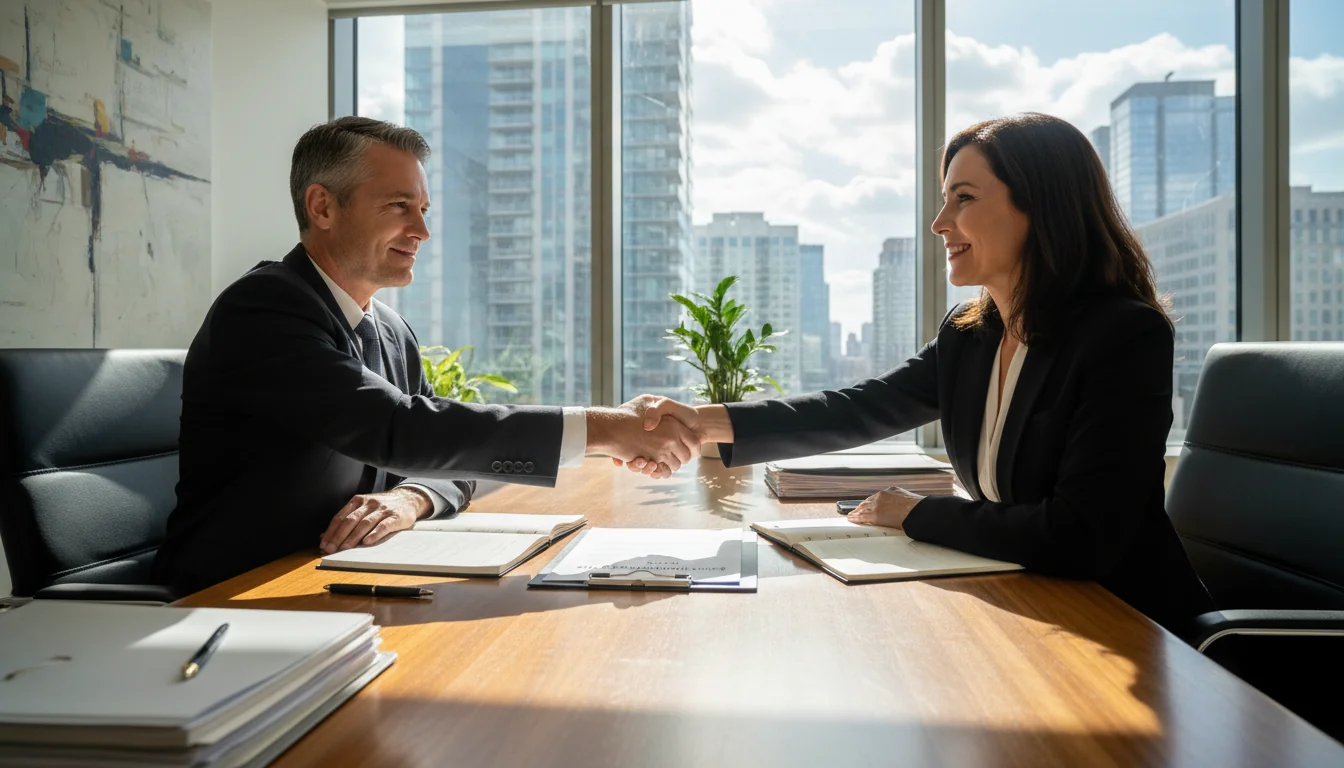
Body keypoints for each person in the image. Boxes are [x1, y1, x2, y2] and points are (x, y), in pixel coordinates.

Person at [627, 113, 1213, 633]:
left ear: (1040, 207)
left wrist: (914, 512)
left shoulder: (1122, 335)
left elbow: (1080, 536)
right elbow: (861, 408)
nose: (939, 223)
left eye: (963, 198)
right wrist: (700, 422)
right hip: (1027, 601)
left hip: (1125, 625)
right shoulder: (971, 334)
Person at [153, 117, 698, 595]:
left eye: (423, 209)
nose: (422, 230)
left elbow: (449, 458)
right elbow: (399, 428)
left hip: (342, 580)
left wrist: (412, 497)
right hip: (232, 596)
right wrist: (603, 429)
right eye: (399, 206)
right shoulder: (262, 308)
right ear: (322, 206)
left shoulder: (390, 329)